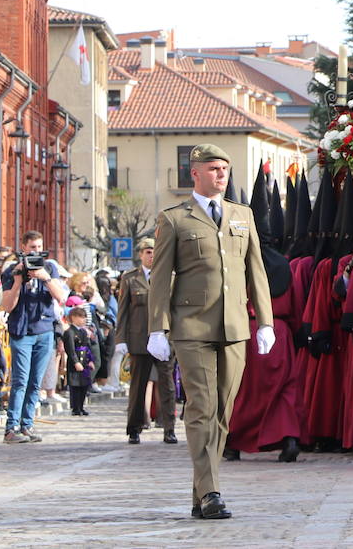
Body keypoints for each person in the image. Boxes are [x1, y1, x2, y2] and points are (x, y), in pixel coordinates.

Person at [147, 144, 274, 521]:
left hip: (234, 325)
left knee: (223, 412)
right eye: (214, 169)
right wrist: (158, 326)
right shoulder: (174, 219)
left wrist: (265, 320)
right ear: (195, 173)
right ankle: (213, 492)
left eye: (225, 168)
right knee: (201, 408)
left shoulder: (242, 215)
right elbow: (160, 277)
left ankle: (200, 492)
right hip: (193, 325)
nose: (222, 175)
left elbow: (256, 271)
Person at [0, 231, 69, 443]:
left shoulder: (49, 268)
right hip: (21, 331)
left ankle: (27, 425)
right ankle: (11, 428)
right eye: (32, 248)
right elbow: (7, 305)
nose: (36, 252)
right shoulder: (12, 271)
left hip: (44, 330)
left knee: (35, 382)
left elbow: (62, 297)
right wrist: (19, 280)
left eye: (39, 247)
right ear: (23, 248)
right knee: (20, 380)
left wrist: (45, 278)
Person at [115, 239, 178, 445]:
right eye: (148, 252)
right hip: (139, 339)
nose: (152, 256)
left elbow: (176, 310)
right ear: (141, 254)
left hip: (165, 340)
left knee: (167, 387)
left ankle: (169, 428)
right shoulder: (130, 278)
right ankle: (134, 428)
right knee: (138, 387)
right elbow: (123, 311)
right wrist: (121, 339)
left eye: (155, 252)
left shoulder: (169, 276)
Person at [62, 306, 97, 416]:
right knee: (75, 386)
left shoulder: (83, 332)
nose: (84, 320)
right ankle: (75, 408)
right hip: (75, 361)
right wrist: (76, 362)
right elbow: (70, 349)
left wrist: (90, 360)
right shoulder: (70, 332)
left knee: (83, 386)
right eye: (81, 317)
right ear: (74, 317)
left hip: (84, 361)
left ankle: (81, 407)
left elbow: (87, 347)